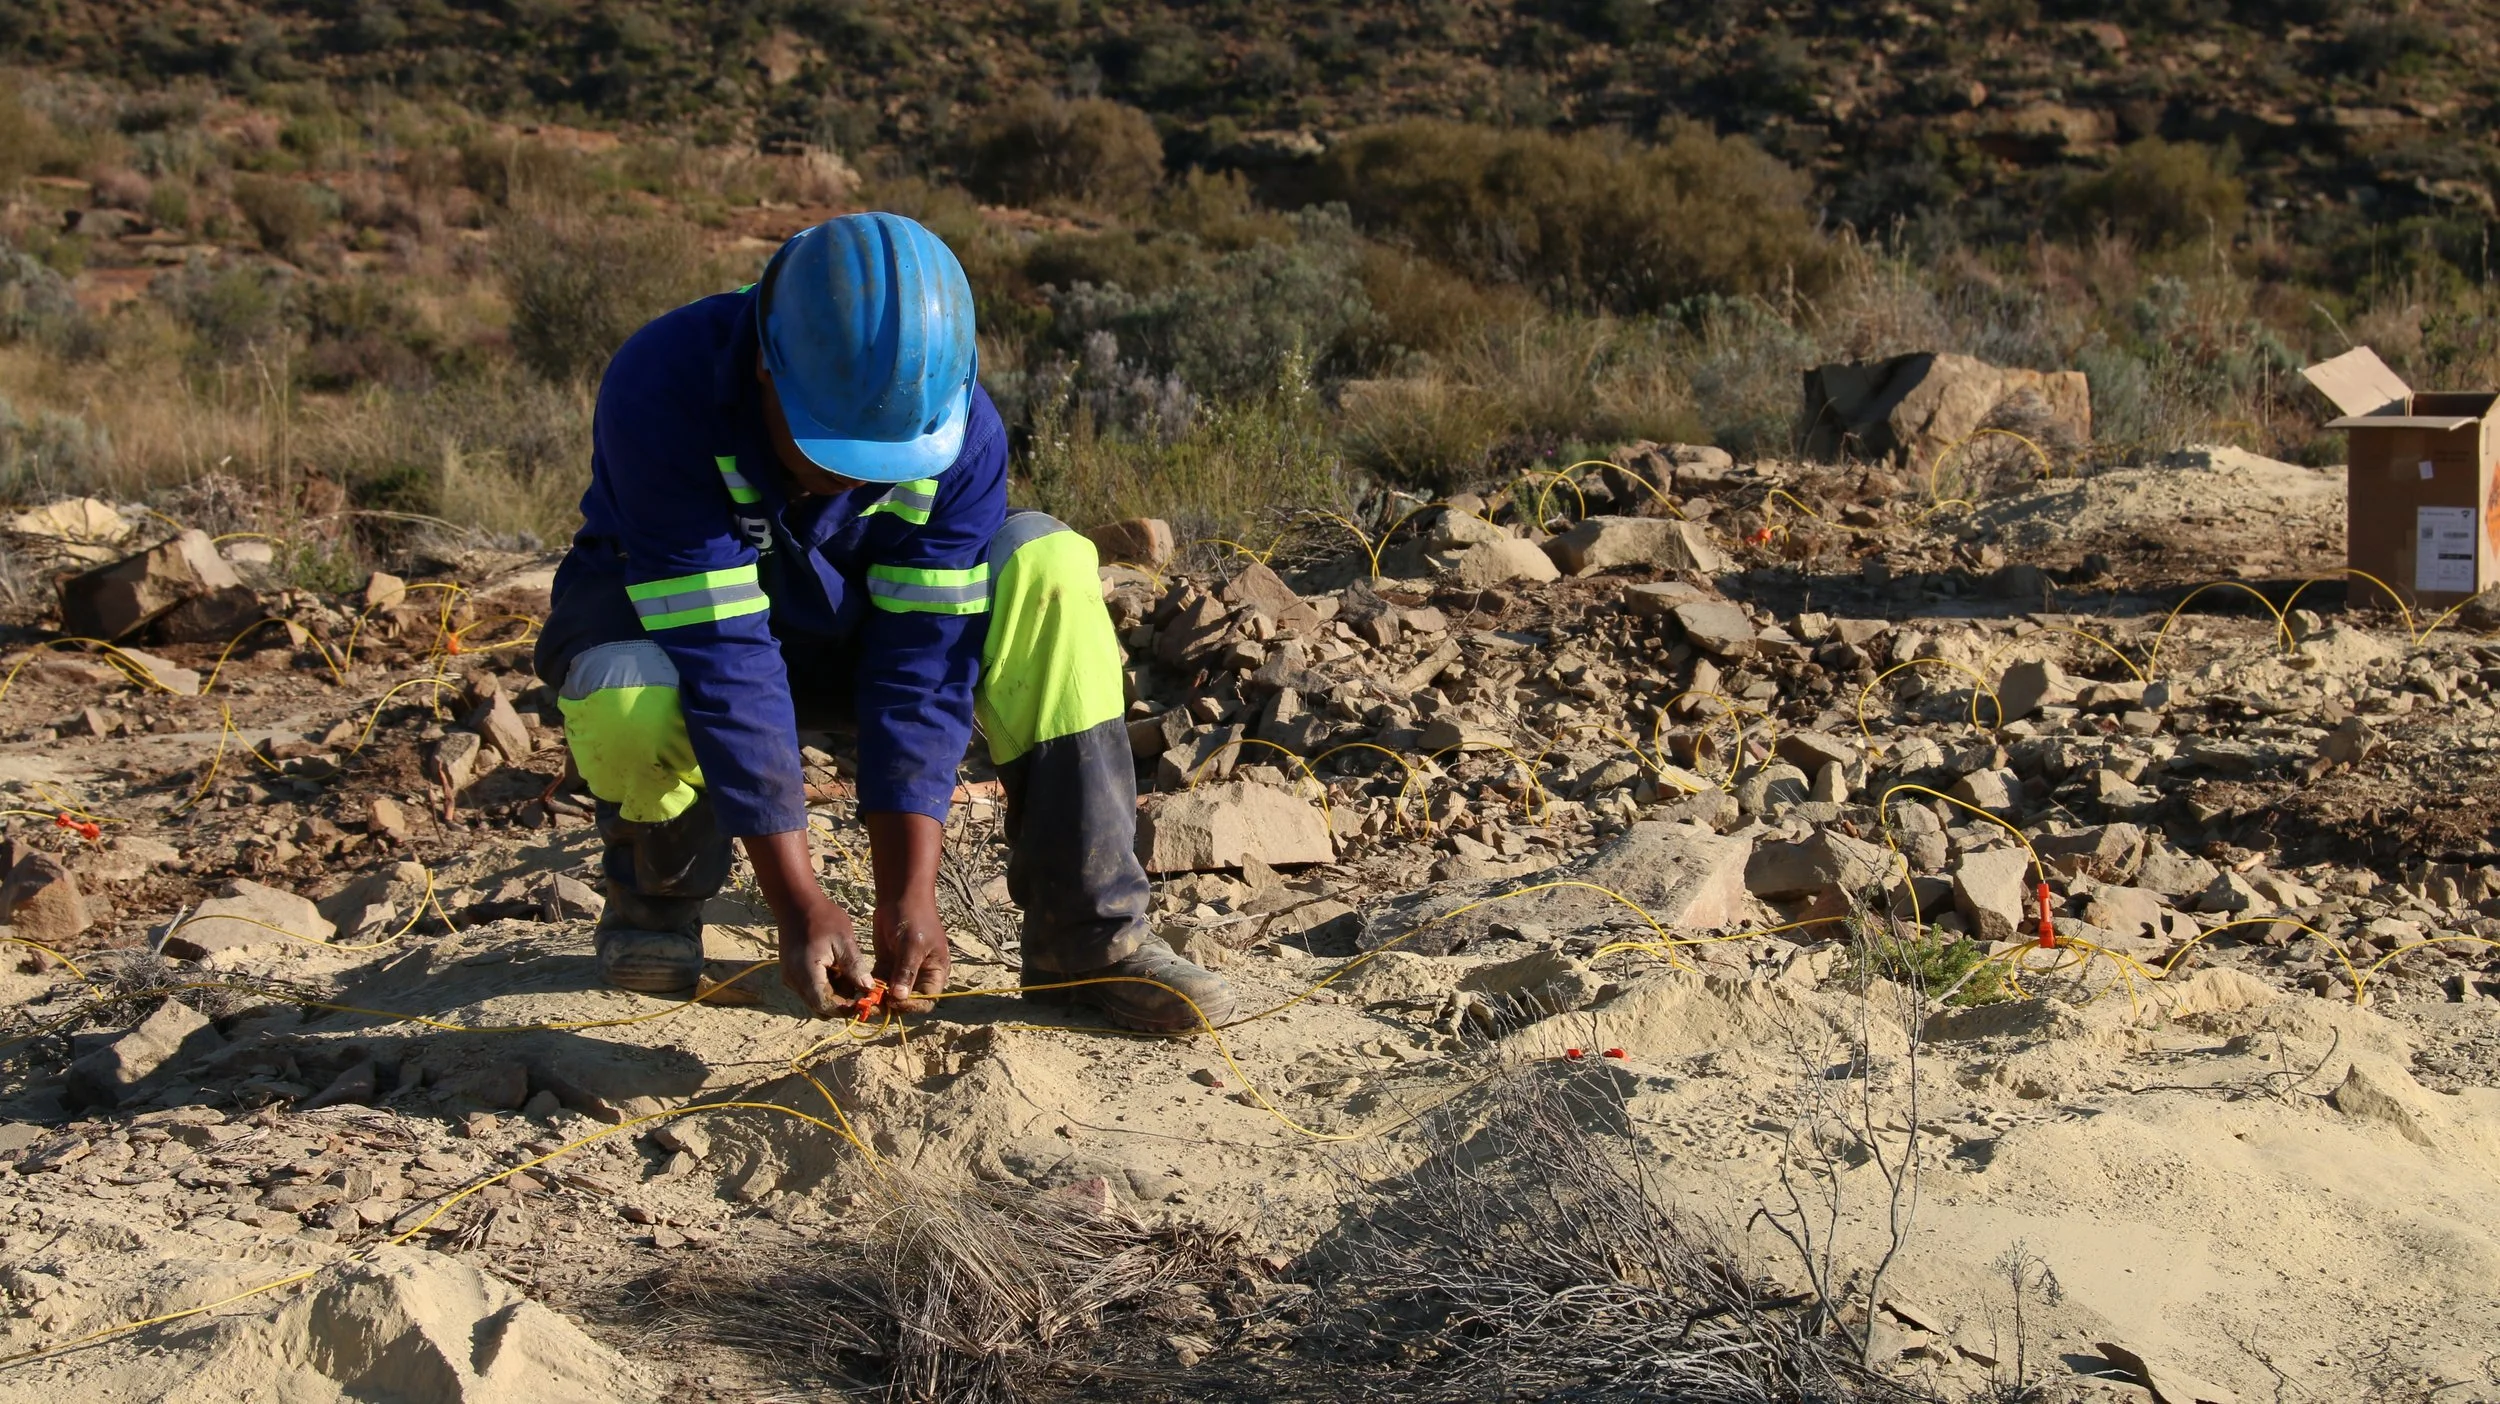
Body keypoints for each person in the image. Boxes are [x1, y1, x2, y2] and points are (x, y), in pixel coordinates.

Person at [531, 211, 1238, 1035]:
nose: (851, 479)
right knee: (627, 688)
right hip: (686, 635)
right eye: (833, 449)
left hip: (853, 636)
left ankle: (1087, 941)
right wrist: (796, 899)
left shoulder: (960, 427)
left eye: (887, 458)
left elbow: (924, 661)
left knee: (1049, 565)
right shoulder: (663, 387)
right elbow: (724, 656)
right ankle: (655, 900)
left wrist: (910, 899)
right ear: (766, 367)